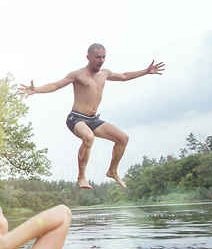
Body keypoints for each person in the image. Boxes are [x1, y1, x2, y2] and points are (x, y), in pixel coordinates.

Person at [18, 43, 165, 189]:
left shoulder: (105, 73)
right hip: (76, 118)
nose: (101, 60)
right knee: (88, 138)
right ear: (88, 57)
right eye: (97, 57)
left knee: (123, 139)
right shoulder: (78, 75)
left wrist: (146, 71)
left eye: (103, 57)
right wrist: (36, 89)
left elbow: (124, 76)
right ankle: (81, 177)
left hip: (93, 119)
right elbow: (55, 86)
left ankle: (112, 171)